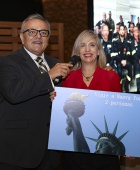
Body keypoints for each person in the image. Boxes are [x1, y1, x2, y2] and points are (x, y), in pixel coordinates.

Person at [0, 14, 72, 170]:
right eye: (32, 32)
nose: (38, 36)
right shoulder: (7, 62)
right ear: (22, 37)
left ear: (48, 38)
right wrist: (49, 76)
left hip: (50, 152)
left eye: (43, 32)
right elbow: (13, 93)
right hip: (17, 152)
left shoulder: (55, 63)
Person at [62, 30, 121, 170]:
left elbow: (120, 112)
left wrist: (131, 142)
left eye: (92, 45)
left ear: (99, 51)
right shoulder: (67, 78)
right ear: (77, 52)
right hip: (75, 156)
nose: (87, 49)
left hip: (104, 153)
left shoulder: (111, 77)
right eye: (82, 45)